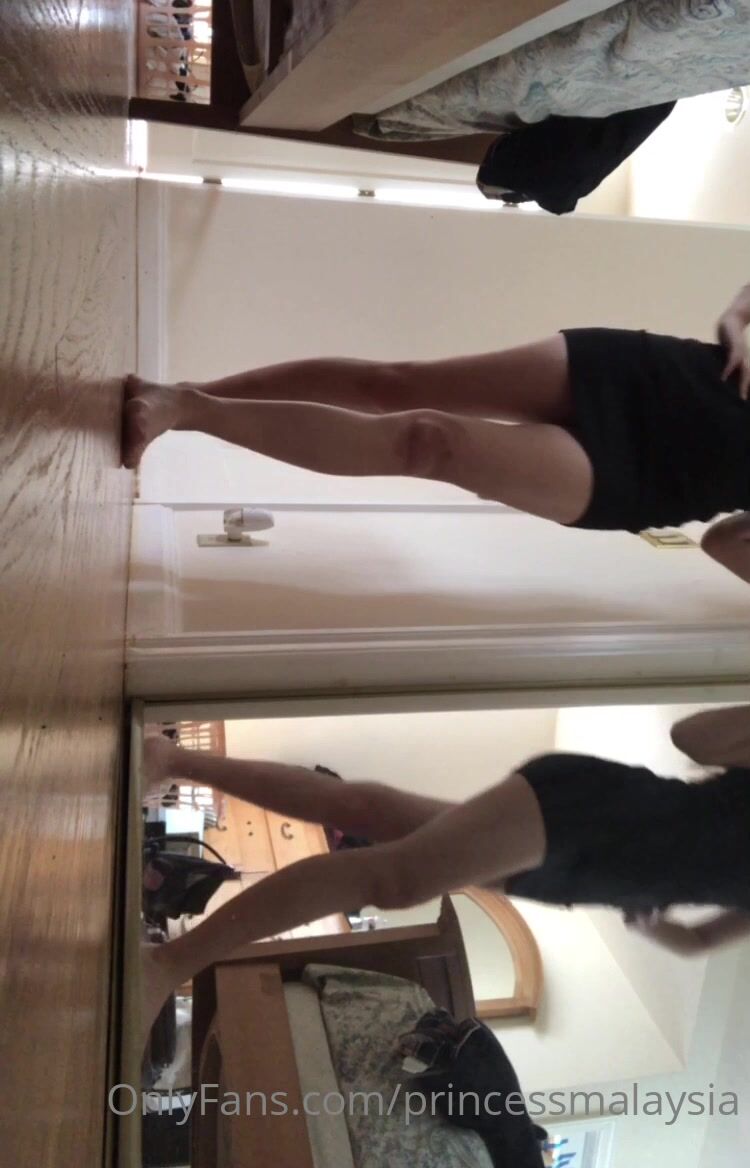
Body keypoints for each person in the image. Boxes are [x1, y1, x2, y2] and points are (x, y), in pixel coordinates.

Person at [141, 703, 750, 1043]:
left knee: (364, 811)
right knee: (395, 880)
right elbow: (691, 736)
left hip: (577, 877)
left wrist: (647, 920)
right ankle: (169, 964)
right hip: (590, 812)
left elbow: (699, 940)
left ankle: (170, 758)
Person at [122, 282, 750, 583]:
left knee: (427, 442)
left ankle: (188, 410)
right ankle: (178, 392)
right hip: (663, 379)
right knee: (394, 384)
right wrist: (738, 323)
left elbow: (723, 542)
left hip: (652, 482)